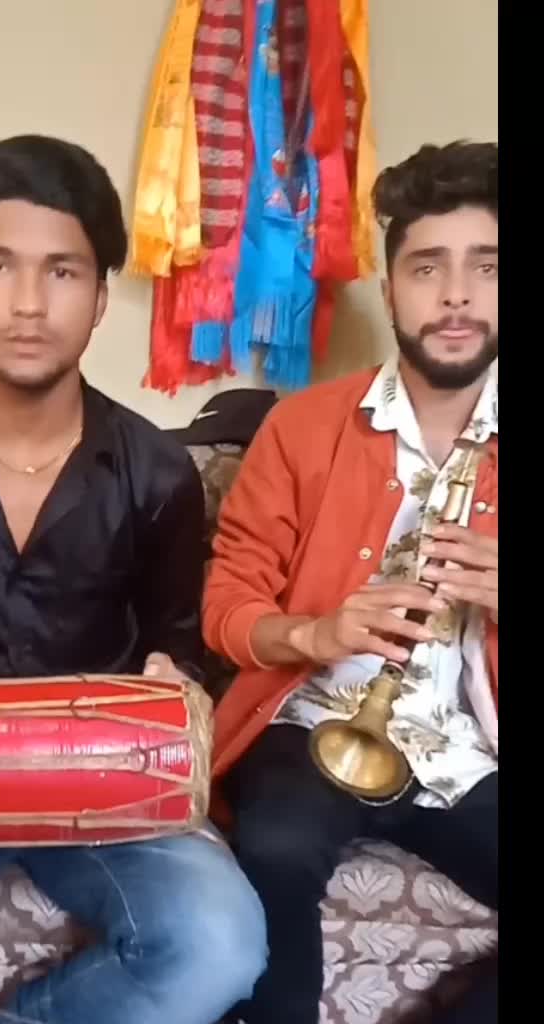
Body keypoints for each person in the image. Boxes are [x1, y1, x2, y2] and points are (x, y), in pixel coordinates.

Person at [0, 135, 267, 1024]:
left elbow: (177, 635)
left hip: (101, 784)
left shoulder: (157, 471)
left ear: (100, 298)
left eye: (62, 272)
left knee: (221, 945)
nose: (28, 303)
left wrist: (178, 675)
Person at [204, 141, 498, 1024]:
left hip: (468, 748)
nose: (456, 294)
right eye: (427, 268)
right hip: (313, 720)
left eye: (487, 267)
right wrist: (315, 632)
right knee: (277, 845)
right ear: (390, 290)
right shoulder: (301, 428)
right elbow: (226, 606)